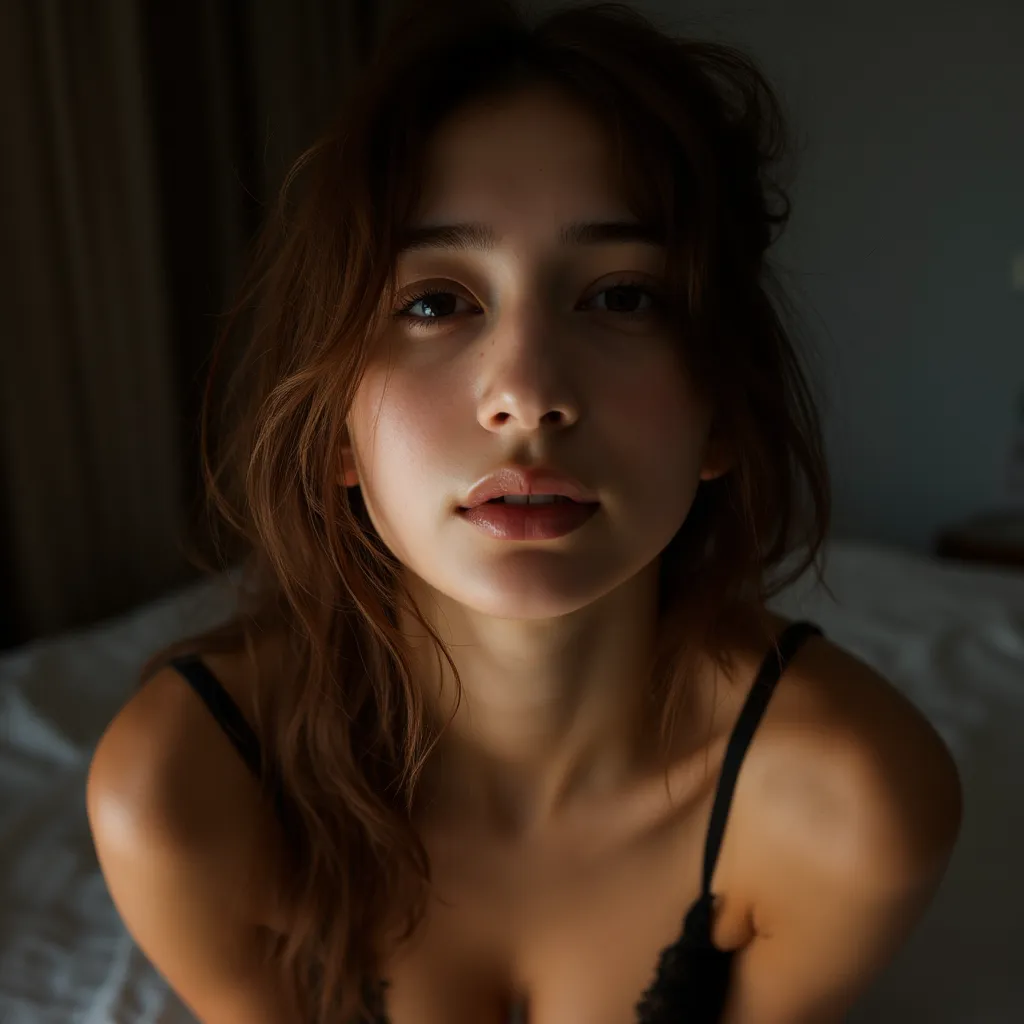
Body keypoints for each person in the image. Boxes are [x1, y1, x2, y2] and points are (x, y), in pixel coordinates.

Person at [85, 1, 963, 1022]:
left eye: (622, 296)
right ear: (332, 432)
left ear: (720, 410)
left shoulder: (854, 805)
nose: (528, 391)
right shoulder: (184, 794)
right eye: (433, 301)